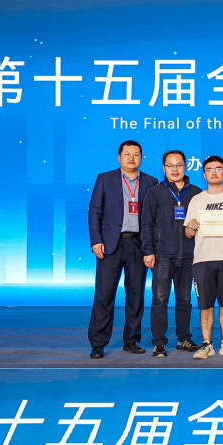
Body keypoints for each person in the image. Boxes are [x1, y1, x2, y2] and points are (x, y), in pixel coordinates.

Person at [87, 140, 159, 359]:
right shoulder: (105, 178)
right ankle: (98, 343)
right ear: (119, 157)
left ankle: (132, 340)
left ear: (141, 158)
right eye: (127, 154)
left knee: (136, 295)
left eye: (136, 154)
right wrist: (96, 240)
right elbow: (94, 211)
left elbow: (154, 217)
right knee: (104, 294)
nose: (131, 158)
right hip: (110, 243)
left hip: (138, 244)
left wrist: (151, 247)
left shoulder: (151, 182)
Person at [183, 156, 223, 360]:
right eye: (209, 169)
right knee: (205, 305)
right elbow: (188, 233)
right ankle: (207, 344)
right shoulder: (197, 200)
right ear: (204, 174)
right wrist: (191, 226)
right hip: (202, 259)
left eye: (218, 169)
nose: (214, 172)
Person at [140, 149, 201, 357]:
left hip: (189, 255)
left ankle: (183, 339)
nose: (175, 169)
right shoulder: (155, 192)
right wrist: (148, 251)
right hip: (162, 255)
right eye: (170, 165)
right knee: (160, 300)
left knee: (184, 300)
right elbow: (146, 224)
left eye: (179, 165)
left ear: (186, 166)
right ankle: (159, 342)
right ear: (164, 168)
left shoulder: (196, 193)